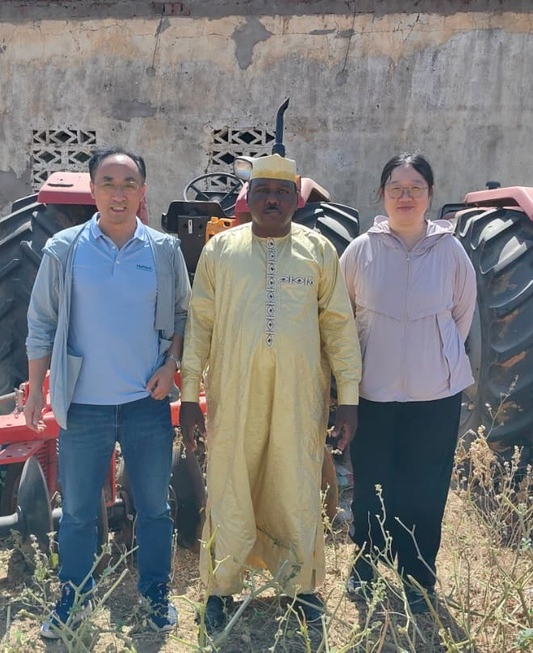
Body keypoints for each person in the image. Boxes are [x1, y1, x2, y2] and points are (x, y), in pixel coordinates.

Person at [179, 154, 362, 632]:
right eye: (263, 191)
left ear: (297, 200)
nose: (273, 200)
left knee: (296, 482)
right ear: (250, 198)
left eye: (283, 192)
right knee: (229, 483)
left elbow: (339, 328)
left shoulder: (319, 251)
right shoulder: (221, 251)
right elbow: (199, 326)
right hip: (232, 395)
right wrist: (188, 397)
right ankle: (221, 588)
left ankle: (300, 587)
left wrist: (349, 399)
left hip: (299, 397)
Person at [23, 147, 191, 638]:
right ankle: (72, 599)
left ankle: (156, 594)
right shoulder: (64, 249)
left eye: (129, 183)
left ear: (143, 191)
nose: (119, 194)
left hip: (146, 404)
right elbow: (41, 323)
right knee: (76, 511)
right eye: (109, 183)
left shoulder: (163, 250)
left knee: (155, 507)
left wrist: (173, 364)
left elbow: (181, 315)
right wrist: (37, 391)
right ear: (92, 190)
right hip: (84, 406)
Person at [338, 153, 476, 614]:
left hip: (434, 396)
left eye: (415, 187)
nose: (405, 196)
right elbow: (343, 316)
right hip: (372, 393)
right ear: (381, 194)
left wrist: (430, 360)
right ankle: (366, 567)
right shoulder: (361, 250)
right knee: (373, 482)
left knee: (425, 487)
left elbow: (461, 316)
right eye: (395, 187)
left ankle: (418, 576)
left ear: (430, 196)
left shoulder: (452, 252)